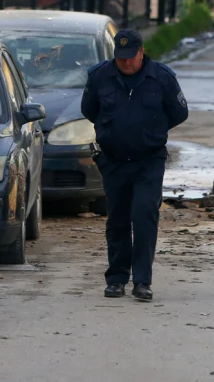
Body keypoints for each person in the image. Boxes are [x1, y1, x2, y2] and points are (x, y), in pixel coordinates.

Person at [81, 29, 188, 303]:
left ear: (141, 53)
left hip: (148, 161)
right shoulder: (100, 76)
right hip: (113, 160)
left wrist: (149, 132)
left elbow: (179, 112)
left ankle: (142, 281)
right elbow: (89, 110)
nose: (126, 63)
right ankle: (116, 279)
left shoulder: (161, 78)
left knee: (143, 216)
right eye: (120, 58)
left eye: (130, 58)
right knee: (117, 219)